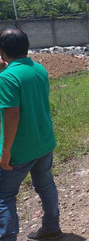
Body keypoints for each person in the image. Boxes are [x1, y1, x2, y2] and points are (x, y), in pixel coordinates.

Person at [0, 28, 61, 240]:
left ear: (2, 51)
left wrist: (5, 150)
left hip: (20, 150)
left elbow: (12, 115)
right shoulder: (40, 69)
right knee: (45, 185)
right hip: (44, 143)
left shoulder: (7, 78)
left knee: (4, 196)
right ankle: (52, 227)